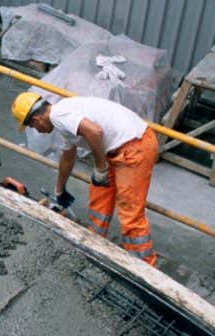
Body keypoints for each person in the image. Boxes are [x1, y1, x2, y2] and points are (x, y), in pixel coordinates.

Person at [13, 92, 158, 266]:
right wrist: (59, 190)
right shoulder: (62, 116)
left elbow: (94, 131)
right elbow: (67, 156)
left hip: (135, 146)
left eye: (34, 127)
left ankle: (144, 267)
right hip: (117, 147)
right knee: (99, 195)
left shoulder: (59, 116)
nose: (38, 131)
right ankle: (95, 245)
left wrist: (100, 168)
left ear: (36, 120)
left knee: (130, 212)